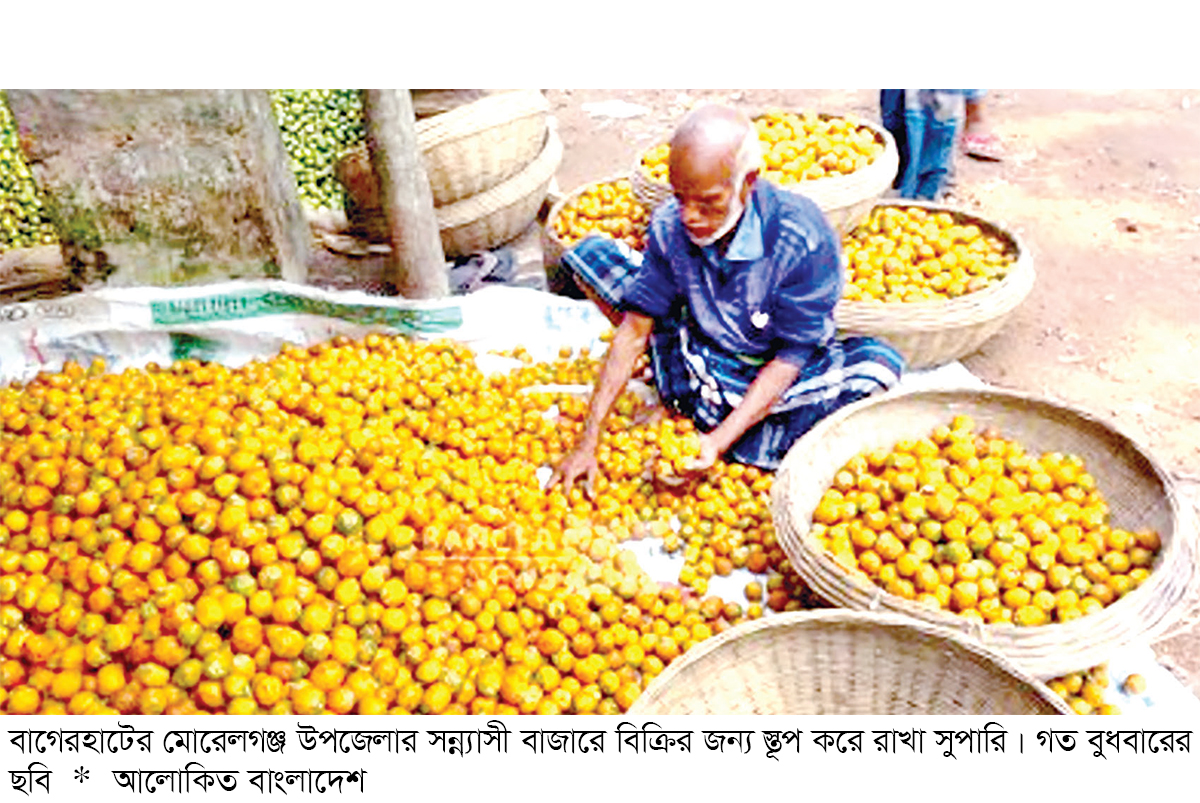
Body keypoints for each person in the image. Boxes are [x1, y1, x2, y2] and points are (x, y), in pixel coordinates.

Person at [549, 104, 904, 494]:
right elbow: (634, 330)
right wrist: (588, 441)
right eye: (681, 198)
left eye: (708, 203)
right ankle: (697, 398)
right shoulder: (670, 225)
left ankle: (714, 412)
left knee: (876, 367)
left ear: (747, 182)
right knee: (593, 256)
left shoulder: (801, 236)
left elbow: (792, 356)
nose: (690, 216)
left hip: (766, 364)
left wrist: (716, 441)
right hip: (697, 343)